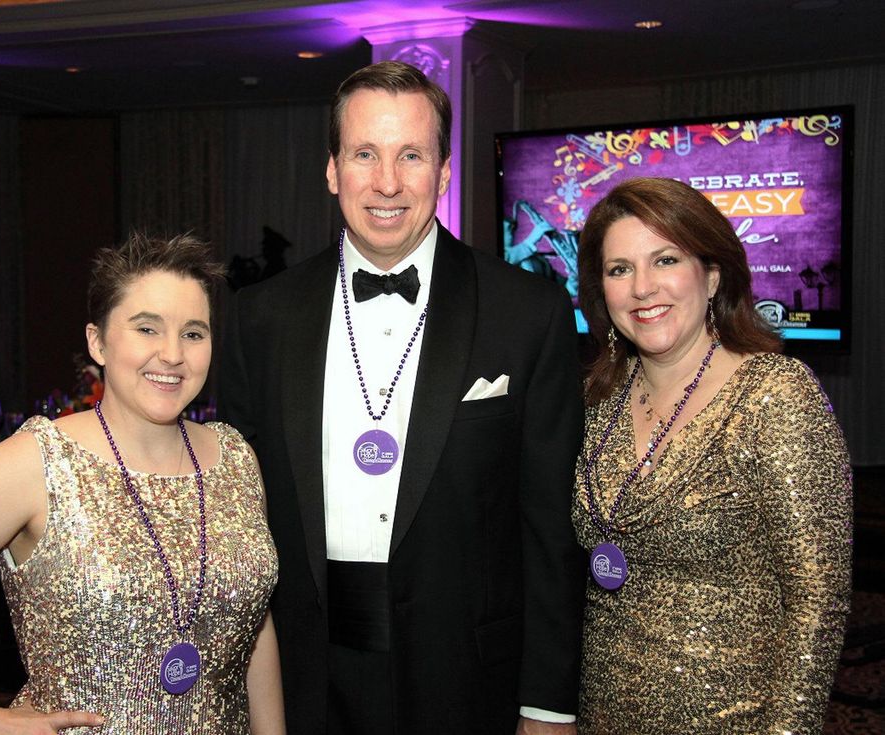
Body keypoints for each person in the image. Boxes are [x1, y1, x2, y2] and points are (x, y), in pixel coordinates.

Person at [219, 60, 585, 735]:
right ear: (333, 170)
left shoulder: (526, 312)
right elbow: (239, 516)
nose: (386, 182)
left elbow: (551, 527)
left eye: (410, 155)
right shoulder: (258, 317)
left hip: (468, 675)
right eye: (365, 154)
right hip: (304, 675)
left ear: (443, 171)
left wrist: (547, 700)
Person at [0, 233, 285, 734]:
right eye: (147, 328)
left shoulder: (235, 458)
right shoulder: (40, 461)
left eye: (194, 333)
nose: (172, 354)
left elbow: (253, 625)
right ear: (97, 341)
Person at [572, 177, 851, 734]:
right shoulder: (599, 399)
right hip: (600, 712)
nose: (642, 288)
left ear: (713, 273)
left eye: (666, 259)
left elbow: (817, 602)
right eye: (619, 269)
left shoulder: (775, 395)